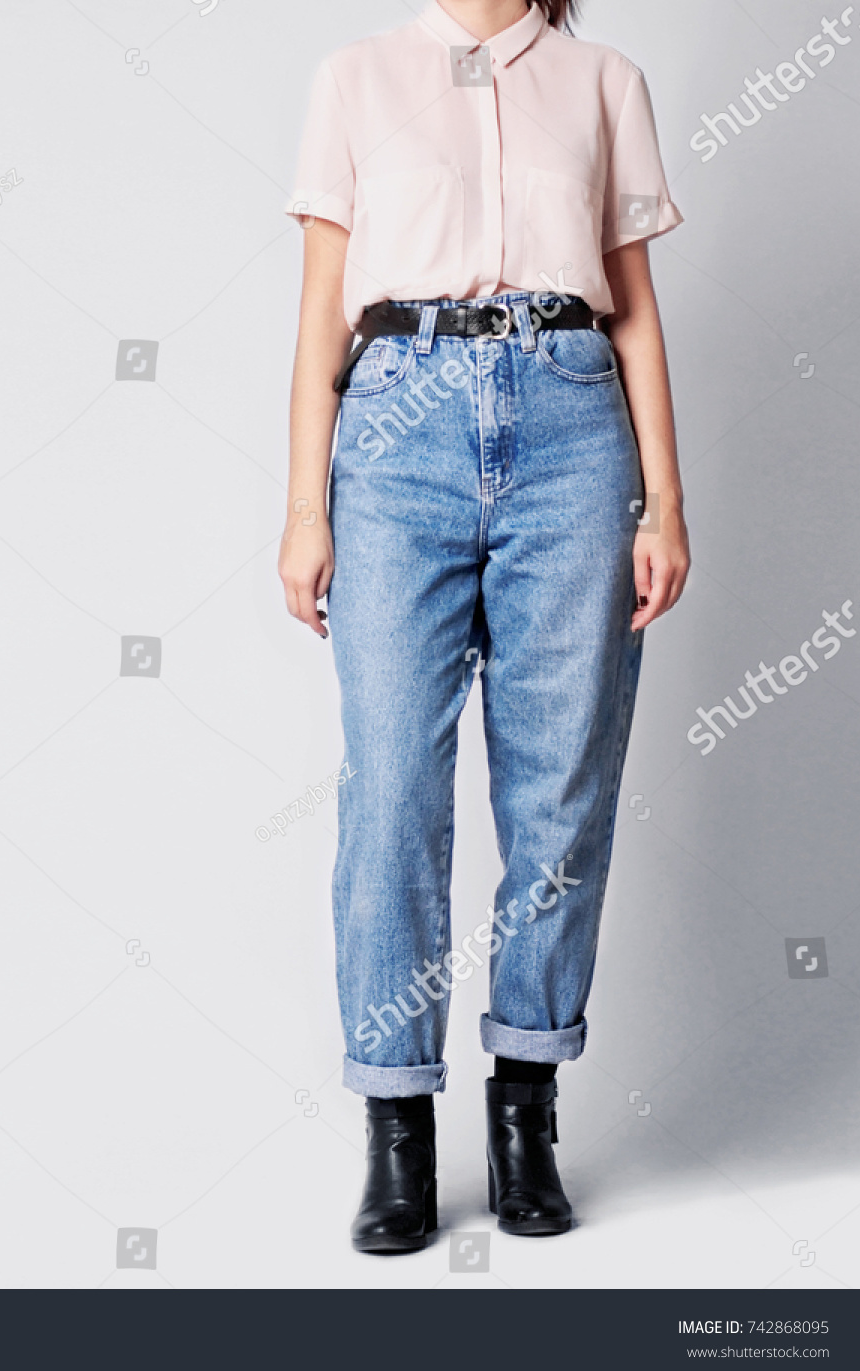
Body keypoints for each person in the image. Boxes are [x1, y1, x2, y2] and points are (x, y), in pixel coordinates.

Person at [279, 0, 689, 1251]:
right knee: (394, 780)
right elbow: (318, 316)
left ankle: (526, 1111)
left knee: (560, 787)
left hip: (572, 428)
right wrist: (306, 507)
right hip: (398, 432)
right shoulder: (354, 77)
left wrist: (664, 500)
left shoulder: (605, 79)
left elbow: (632, 310)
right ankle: (396, 1126)